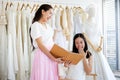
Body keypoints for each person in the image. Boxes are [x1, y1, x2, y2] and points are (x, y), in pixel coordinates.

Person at [29, 4, 63, 80]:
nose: (51, 16)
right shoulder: (36, 25)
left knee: (51, 76)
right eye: (50, 13)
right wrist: (53, 58)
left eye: (52, 14)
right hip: (43, 55)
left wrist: (55, 33)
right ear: (43, 11)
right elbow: (40, 45)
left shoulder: (48, 26)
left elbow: (50, 42)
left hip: (51, 54)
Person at [83, 4, 116, 80]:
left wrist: (100, 46)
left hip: (97, 46)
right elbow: (84, 35)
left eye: (94, 11)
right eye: (92, 11)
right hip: (89, 46)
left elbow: (101, 36)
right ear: (89, 12)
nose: (94, 13)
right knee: (90, 62)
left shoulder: (97, 24)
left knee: (101, 64)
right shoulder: (84, 23)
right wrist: (92, 45)